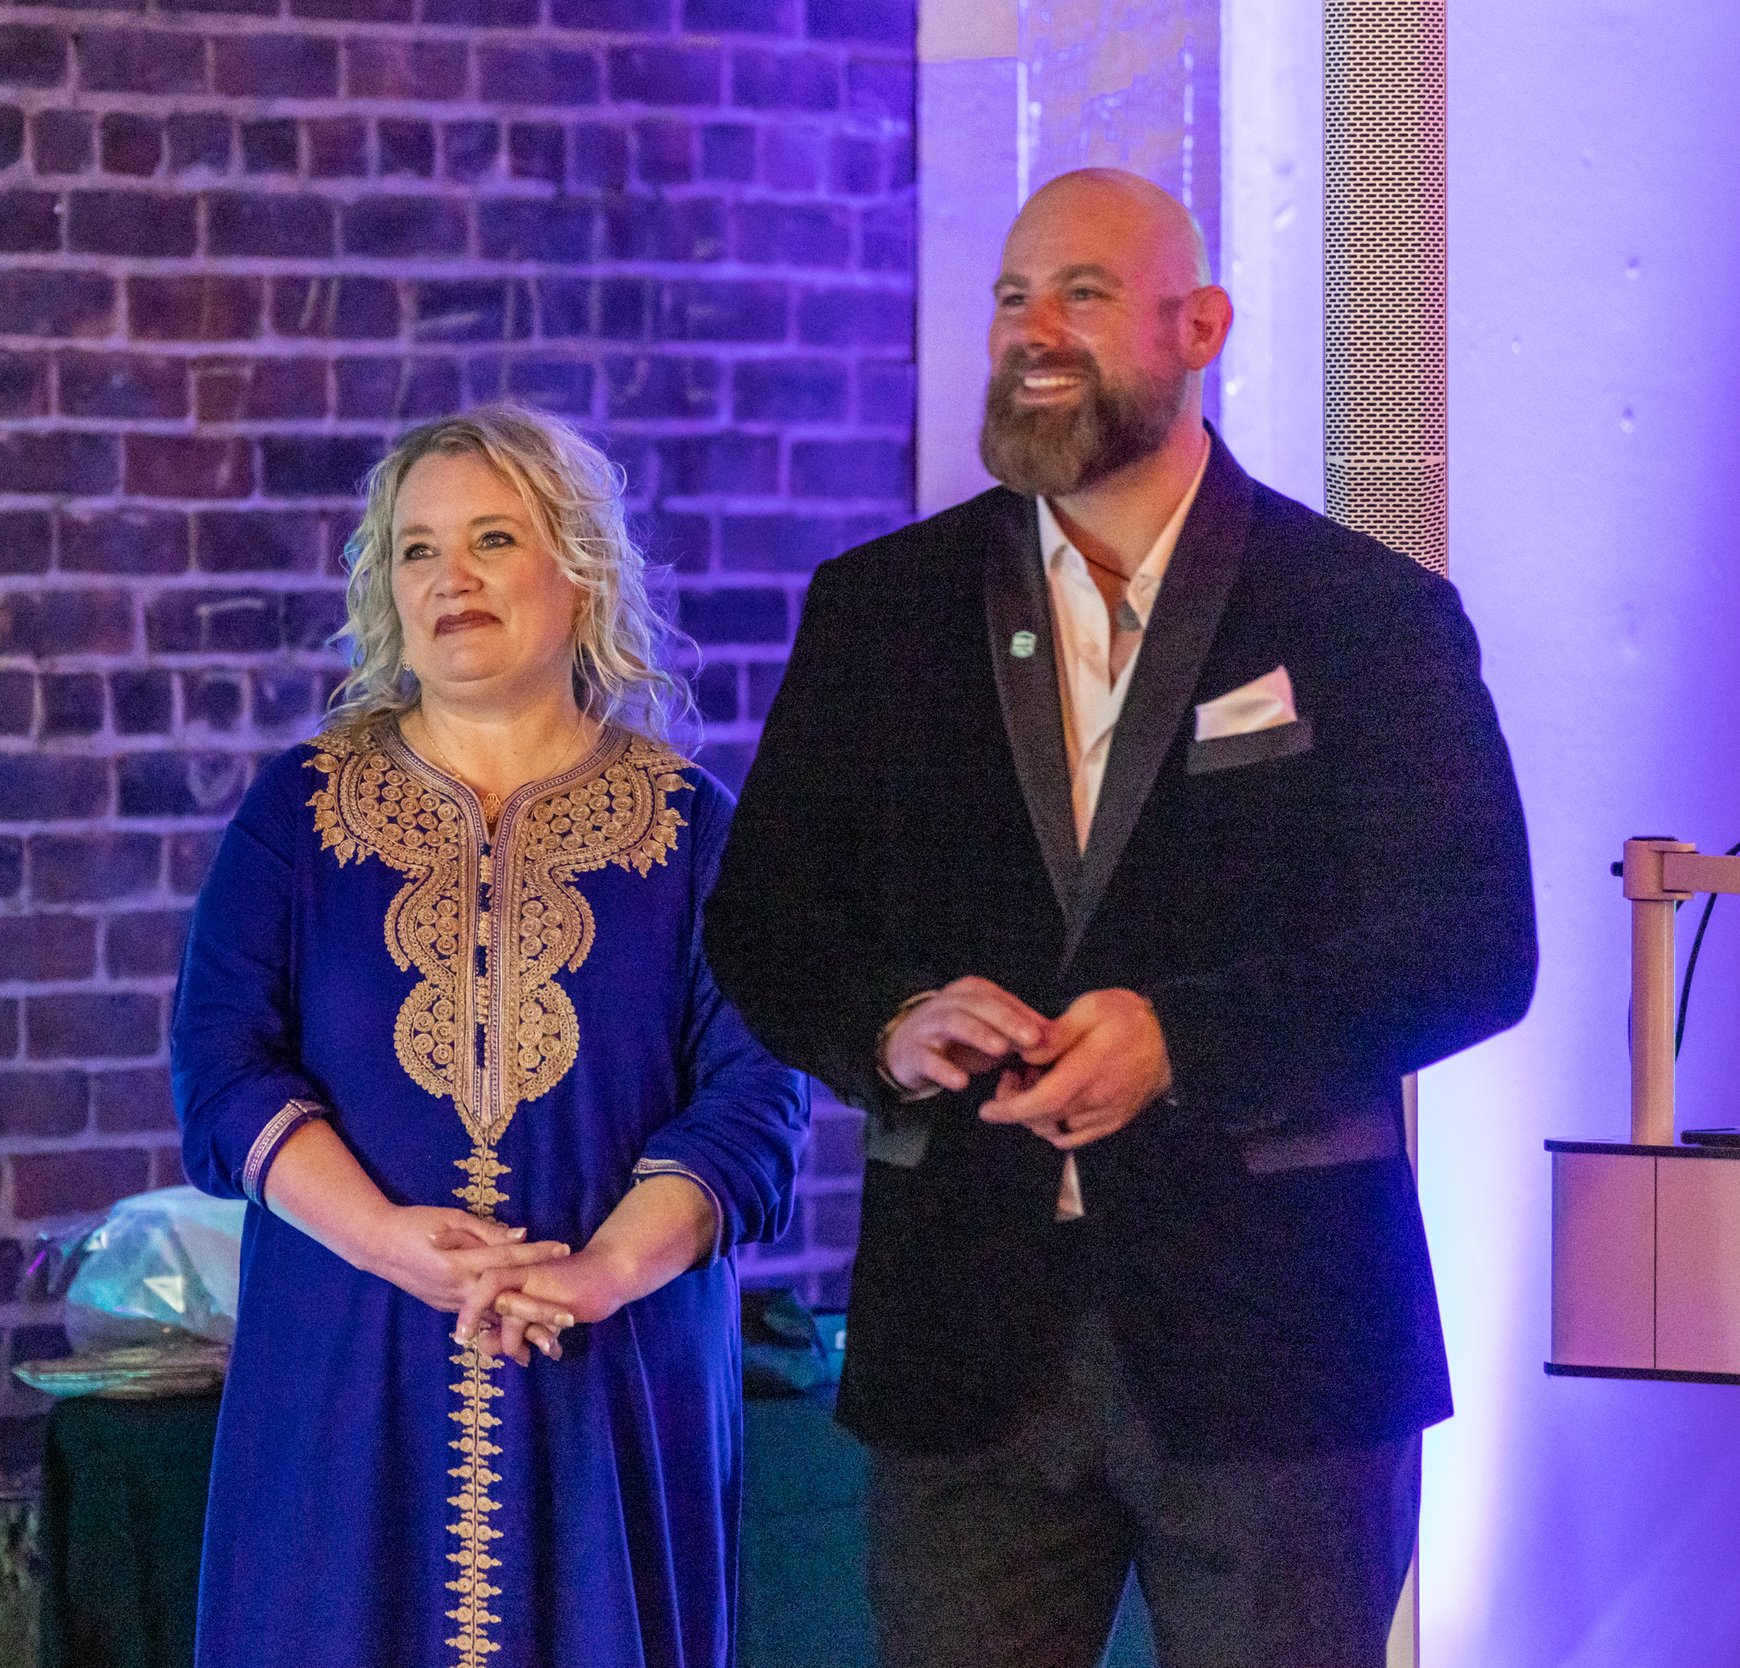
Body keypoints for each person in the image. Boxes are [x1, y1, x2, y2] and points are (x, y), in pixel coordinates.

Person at [705, 169, 1538, 1668]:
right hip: (964, 1343)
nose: (1034, 328)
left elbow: (1473, 946)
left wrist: (1183, 1041)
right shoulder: (877, 610)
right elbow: (765, 920)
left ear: (1200, 323)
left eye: (1082, 292)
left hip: (1281, 1354)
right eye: (1013, 296)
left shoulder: (1365, 612)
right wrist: (892, 1023)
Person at [172, 404, 809, 1668]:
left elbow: (754, 1100)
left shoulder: (694, 831)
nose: (448, 578)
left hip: (611, 1368)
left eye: (492, 539)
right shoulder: (295, 818)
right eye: (415, 550)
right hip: (352, 1355)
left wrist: (597, 1274)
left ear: (579, 572)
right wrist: (386, 1242)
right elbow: (220, 1065)